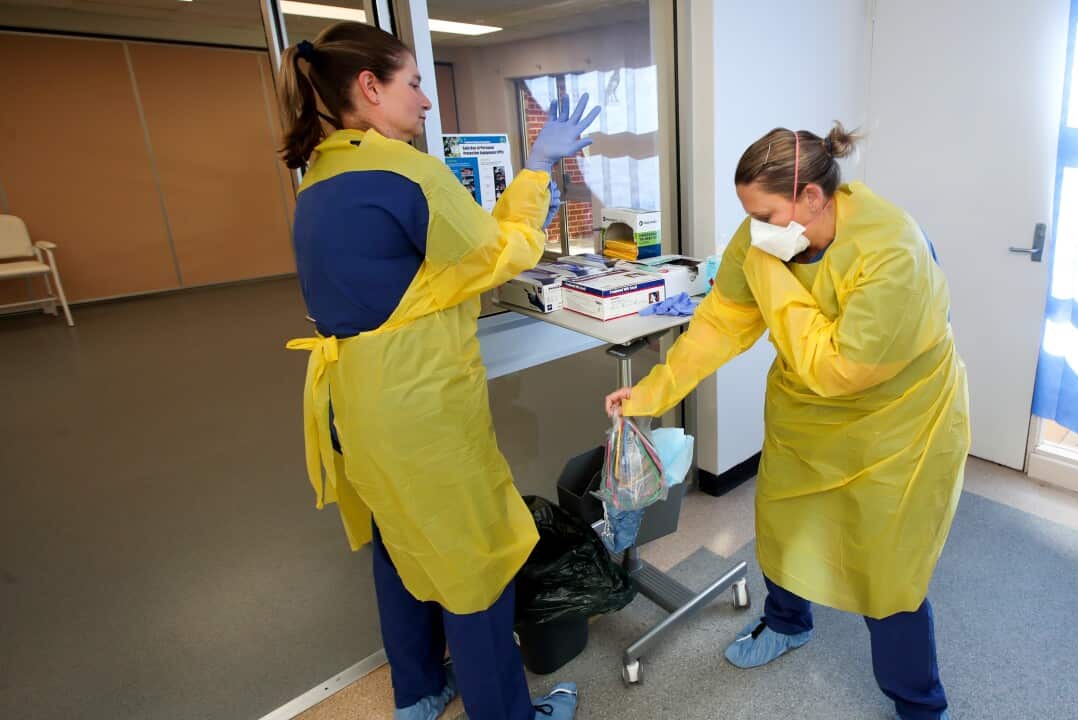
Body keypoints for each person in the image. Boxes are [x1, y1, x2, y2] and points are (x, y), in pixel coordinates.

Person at [278, 22, 599, 720]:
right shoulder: (406, 170)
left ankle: (419, 692)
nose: (426, 101)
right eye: (414, 83)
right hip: (415, 403)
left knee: (400, 540)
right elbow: (499, 253)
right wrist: (540, 166)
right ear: (369, 88)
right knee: (474, 559)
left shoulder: (318, 178)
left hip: (354, 401)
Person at [605, 124, 970, 720]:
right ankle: (787, 622)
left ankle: (919, 704)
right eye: (750, 215)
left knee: (888, 569)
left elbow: (839, 369)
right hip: (807, 416)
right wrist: (652, 392)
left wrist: (769, 273)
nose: (756, 229)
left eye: (767, 214)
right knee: (784, 526)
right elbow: (721, 323)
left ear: (812, 199)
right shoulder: (769, 236)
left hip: (897, 428)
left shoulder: (892, 252)